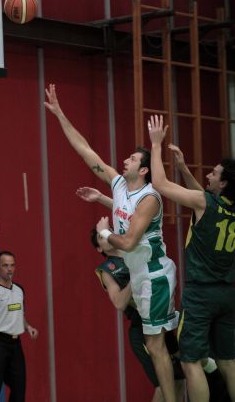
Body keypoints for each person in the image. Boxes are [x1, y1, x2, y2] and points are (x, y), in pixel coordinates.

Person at [45, 84, 178, 402]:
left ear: (143, 170)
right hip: (141, 274)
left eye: (132, 159)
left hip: (154, 275)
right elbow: (84, 149)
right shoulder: (119, 184)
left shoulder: (150, 198)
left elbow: (130, 241)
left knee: (157, 348)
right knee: (157, 347)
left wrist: (104, 235)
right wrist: (60, 114)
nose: (125, 161)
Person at [148, 114, 235, 402]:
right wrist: (184, 169)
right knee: (228, 361)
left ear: (222, 184)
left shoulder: (204, 203)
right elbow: (204, 197)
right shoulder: (223, 205)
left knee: (190, 361)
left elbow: (160, 183)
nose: (209, 175)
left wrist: (156, 145)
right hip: (229, 294)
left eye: (214, 173)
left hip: (201, 294)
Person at [91, 226, 185, 402]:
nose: (105, 235)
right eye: (100, 236)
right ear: (99, 248)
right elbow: (119, 302)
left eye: (107, 231)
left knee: (179, 379)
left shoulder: (134, 252)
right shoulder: (107, 270)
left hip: (160, 322)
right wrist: (136, 277)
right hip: (141, 329)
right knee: (162, 385)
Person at [0, 251, 38, 402]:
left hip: (16, 345)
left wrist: (28, 326)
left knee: (19, 388)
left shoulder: (19, 290)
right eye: (5, 265)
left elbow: (19, 314)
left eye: (12, 265)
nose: (9, 269)